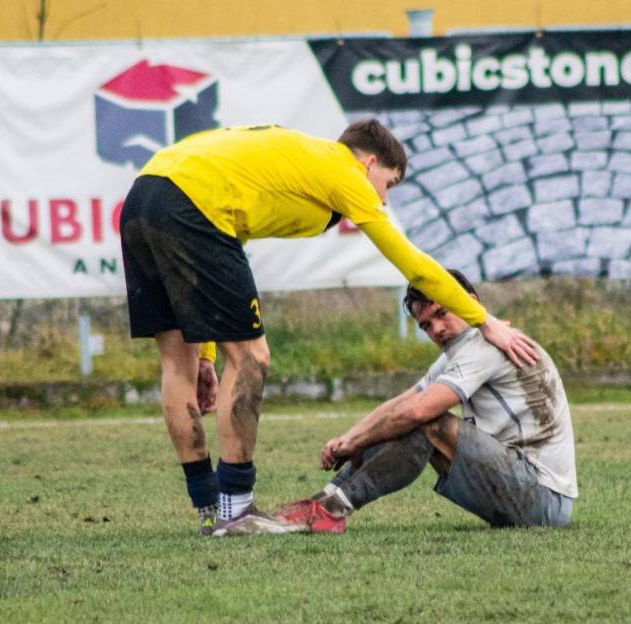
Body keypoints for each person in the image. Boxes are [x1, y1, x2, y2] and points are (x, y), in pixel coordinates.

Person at [119, 121, 540, 537]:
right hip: (192, 205)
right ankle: (237, 508)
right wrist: (484, 320)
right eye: (388, 183)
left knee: (179, 365)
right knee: (251, 356)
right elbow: (414, 265)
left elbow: (230, 235)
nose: (383, 198)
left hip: (144, 195)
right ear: (369, 163)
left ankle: (211, 511)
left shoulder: (304, 160)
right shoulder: (345, 170)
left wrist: (206, 356)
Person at [275, 270, 577, 533]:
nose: (437, 329)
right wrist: (349, 438)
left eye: (442, 313)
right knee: (401, 419)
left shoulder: (485, 346)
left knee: (425, 420)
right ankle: (321, 502)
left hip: (543, 500)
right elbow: (403, 402)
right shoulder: (462, 349)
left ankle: (333, 510)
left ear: (471, 301)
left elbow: (417, 411)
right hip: (523, 490)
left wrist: (357, 442)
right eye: (426, 325)